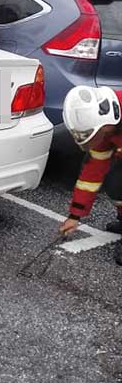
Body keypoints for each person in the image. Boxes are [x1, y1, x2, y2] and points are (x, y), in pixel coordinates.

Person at [58, 86, 122, 264]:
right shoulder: (107, 128)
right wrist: (74, 216)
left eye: (98, 133)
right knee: (116, 182)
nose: (98, 138)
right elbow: (91, 176)